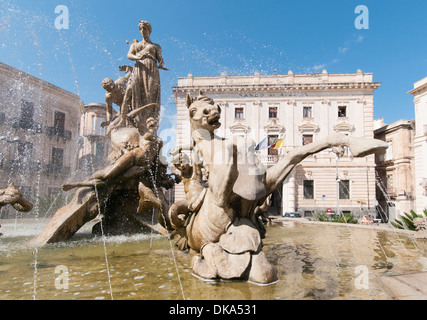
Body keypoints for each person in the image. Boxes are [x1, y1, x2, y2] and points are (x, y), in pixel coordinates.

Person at [120, 20, 166, 134]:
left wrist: (161, 63)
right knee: (134, 92)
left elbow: (160, 59)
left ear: (149, 30)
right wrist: (138, 57)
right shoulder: (135, 45)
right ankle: (132, 120)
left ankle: (149, 123)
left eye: (144, 29)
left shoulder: (156, 46)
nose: (142, 31)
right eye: (140, 29)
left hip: (152, 71)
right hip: (139, 68)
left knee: (150, 95)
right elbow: (129, 55)